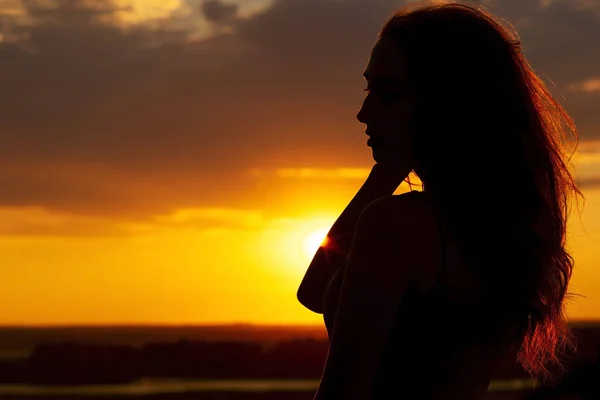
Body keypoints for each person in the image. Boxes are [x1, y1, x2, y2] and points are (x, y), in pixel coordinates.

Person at [296, 1, 584, 399]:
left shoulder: (397, 225)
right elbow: (313, 292)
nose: (364, 113)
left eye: (388, 94)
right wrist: (389, 167)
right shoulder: (506, 228)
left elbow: (342, 391)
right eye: (369, 89)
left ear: (447, 105)